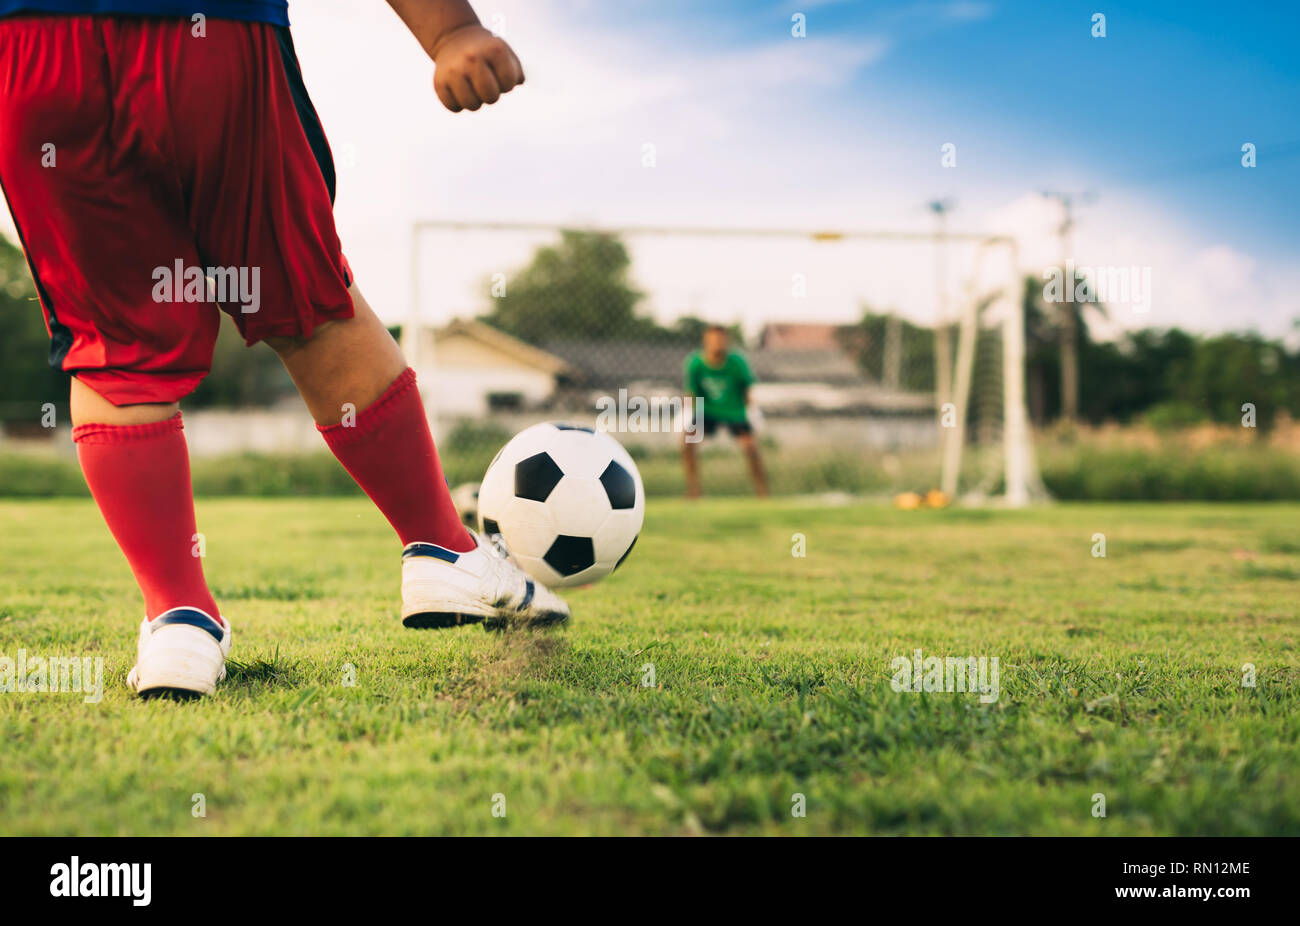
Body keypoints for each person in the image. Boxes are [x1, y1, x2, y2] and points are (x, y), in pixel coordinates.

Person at [0, 0, 568, 699]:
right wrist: (450, 30)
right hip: (209, 35)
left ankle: (178, 618)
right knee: (309, 304)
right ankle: (441, 549)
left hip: (36, 51)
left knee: (117, 344)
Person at [681, 325, 769, 498]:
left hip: (735, 412)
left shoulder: (737, 362)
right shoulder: (695, 364)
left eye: (720, 340)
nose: (717, 344)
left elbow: (747, 392)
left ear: (727, 342)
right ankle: (693, 490)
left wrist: (752, 412)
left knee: (751, 447)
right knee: (686, 442)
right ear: (706, 342)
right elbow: (691, 393)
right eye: (713, 340)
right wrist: (686, 415)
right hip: (707, 412)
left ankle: (762, 491)